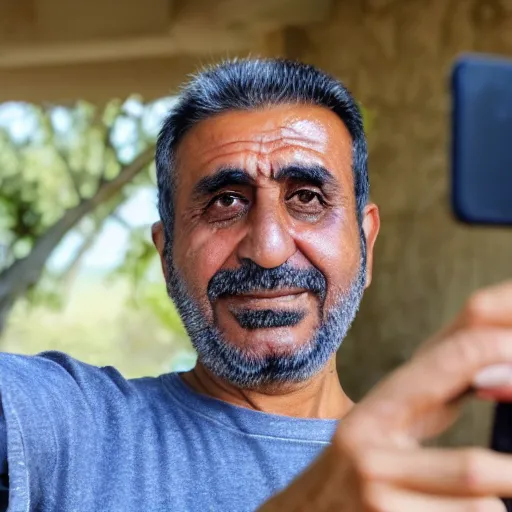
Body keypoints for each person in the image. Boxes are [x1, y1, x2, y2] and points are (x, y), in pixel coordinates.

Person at [1, 58, 512, 512]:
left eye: (308, 197)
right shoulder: (63, 430)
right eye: (225, 202)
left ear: (366, 243)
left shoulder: (431, 495)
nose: (267, 248)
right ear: (167, 254)